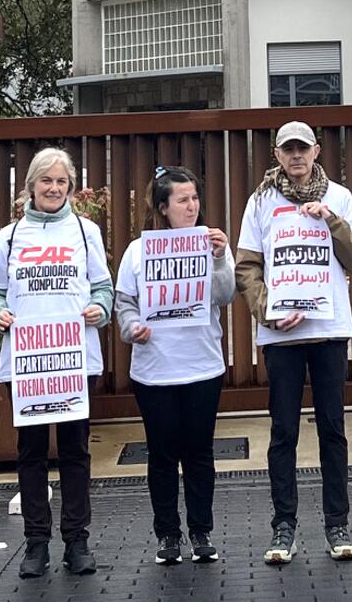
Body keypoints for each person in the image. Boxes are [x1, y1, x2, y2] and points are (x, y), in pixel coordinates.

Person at [234, 121, 352, 566]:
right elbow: (247, 268)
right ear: (277, 153)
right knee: (283, 432)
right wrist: (268, 311)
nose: (296, 157)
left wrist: (332, 221)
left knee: (333, 429)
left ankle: (338, 523)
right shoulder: (259, 201)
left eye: (303, 149)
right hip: (282, 336)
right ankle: (284, 525)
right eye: (287, 149)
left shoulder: (341, 197)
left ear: (316, 152)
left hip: (329, 331)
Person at [0, 147, 113, 579]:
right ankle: (36, 543)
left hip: (75, 359)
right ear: (32, 186)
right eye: (47, 181)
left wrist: (100, 308)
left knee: (76, 451)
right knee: (32, 452)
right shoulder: (9, 236)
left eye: (62, 182)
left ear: (70, 187)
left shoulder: (85, 231)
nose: (54, 188)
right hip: (26, 360)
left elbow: (103, 288)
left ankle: (77, 541)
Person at [114, 166, 236, 565]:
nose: (192, 206)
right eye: (182, 200)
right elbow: (125, 303)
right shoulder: (138, 250)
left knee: (200, 452)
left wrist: (218, 258)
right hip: (155, 370)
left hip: (202, 367)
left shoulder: (212, 243)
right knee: (162, 454)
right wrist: (133, 328)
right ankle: (168, 534)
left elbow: (224, 296)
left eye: (195, 198)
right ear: (163, 207)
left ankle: (201, 531)